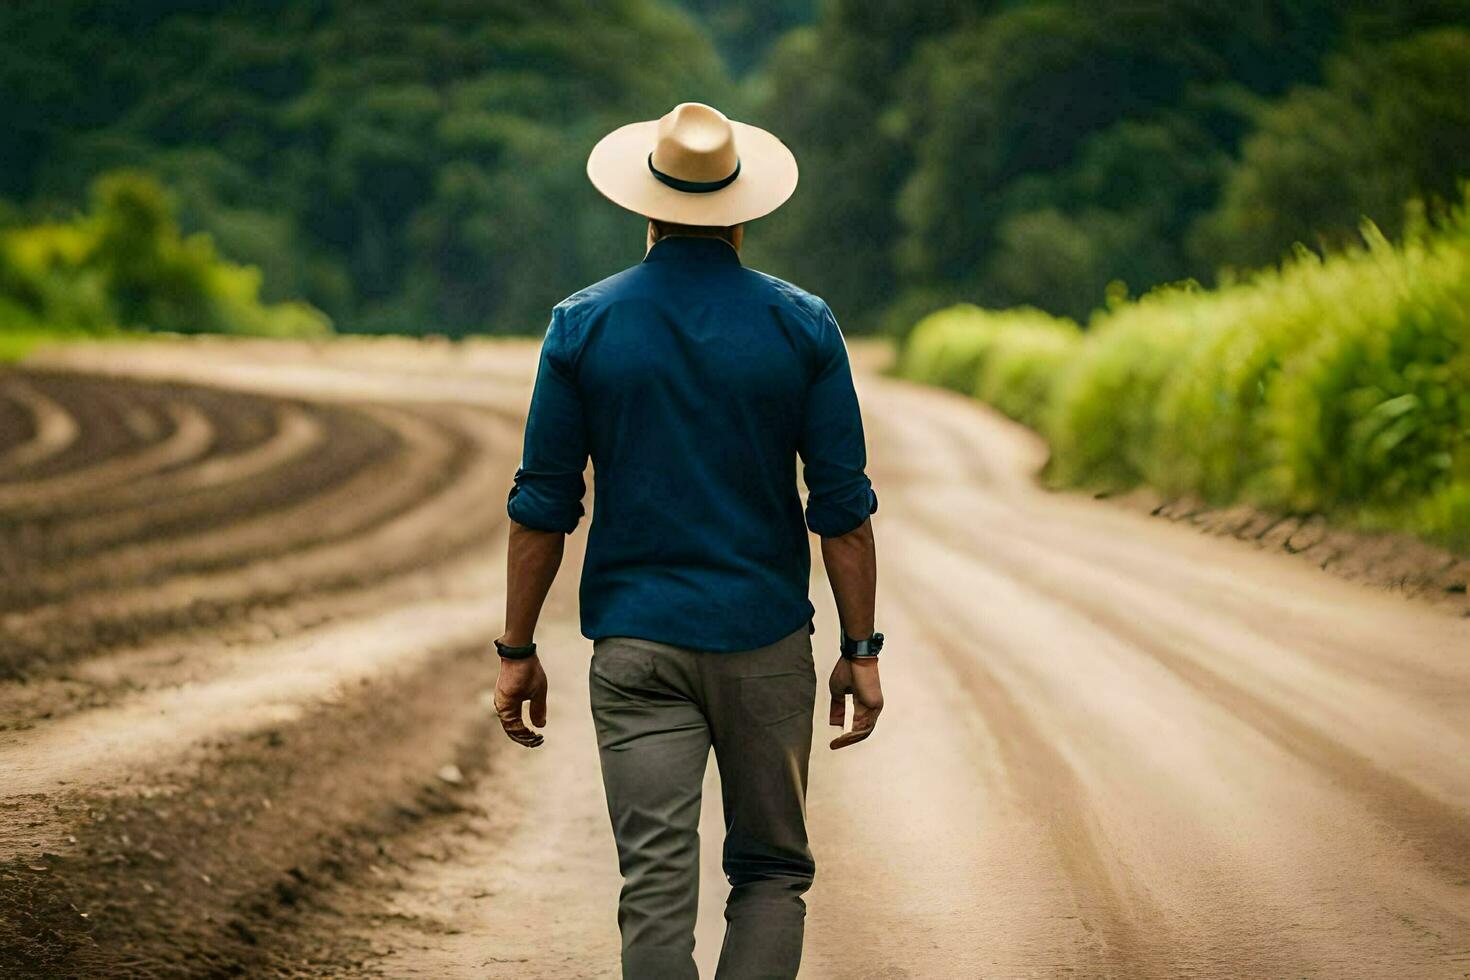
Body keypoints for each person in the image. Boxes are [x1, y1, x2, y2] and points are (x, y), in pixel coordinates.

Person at [491, 102, 884, 980]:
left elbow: (542, 507)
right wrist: (861, 649)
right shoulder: (804, 325)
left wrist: (516, 647)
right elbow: (843, 511)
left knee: (656, 886)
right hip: (766, 641)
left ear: (648, 205)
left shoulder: (581, 325)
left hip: (636, 649)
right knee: (773, 872)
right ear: (741, 208)